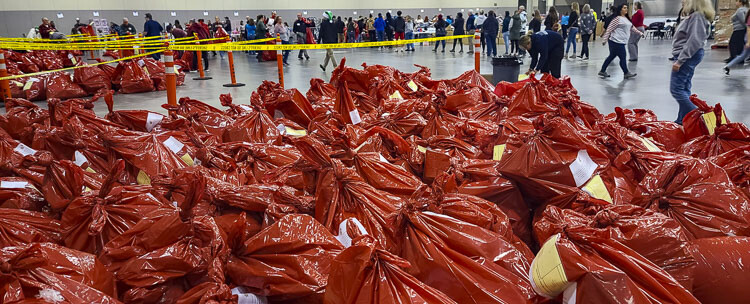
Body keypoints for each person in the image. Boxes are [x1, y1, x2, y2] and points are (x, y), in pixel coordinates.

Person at [670, 0, 714, 124]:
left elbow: (694, 41)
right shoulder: (696, 16)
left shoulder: (696, 17)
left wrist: (680, 60)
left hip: (687, 55)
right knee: (684, 88)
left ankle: (701, 120)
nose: (683, 1)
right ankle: (681, 120)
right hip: (689, 54)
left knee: (676, 89)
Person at [599, 4, 643, 79]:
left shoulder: (626, 18)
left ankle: (602, 71)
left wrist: (640, 33)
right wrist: (605, 39)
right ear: (620, 10)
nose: (626, 9)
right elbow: (609, 29)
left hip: (621, 41)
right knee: (623, 57)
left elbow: (632, 27)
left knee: (611, 56)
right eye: (624, 8)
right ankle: (626, 73)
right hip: (616, 41)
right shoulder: (617, 19)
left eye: (626, 8)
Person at [725, 1, 750, 74]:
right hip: (742, 30)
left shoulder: (740, 10)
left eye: (737, 1)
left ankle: (731, 61)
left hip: (739, 29)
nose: (735, 3)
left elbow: (745, 22)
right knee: (742, 51)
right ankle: (730, 64)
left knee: (734, 44)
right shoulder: (746, 9)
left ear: (740, 2)